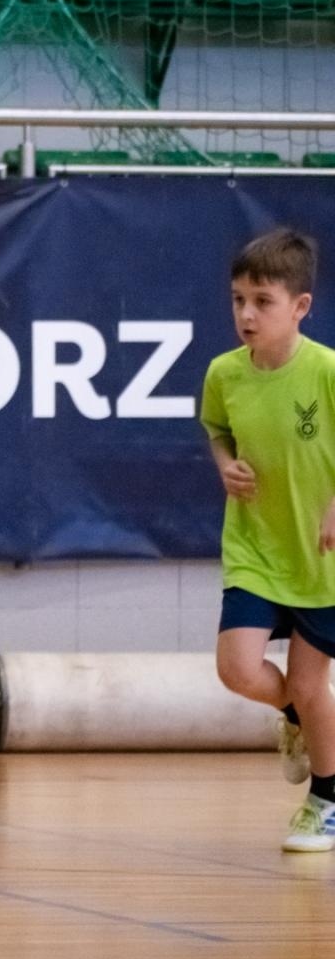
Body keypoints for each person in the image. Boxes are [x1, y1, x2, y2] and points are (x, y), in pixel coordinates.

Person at [202, 227, 335, 852]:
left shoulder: (327, 370)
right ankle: (296, 718)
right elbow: (218, 430)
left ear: (300, 306)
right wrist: (225, 464)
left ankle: (326, 800)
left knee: (310, 685)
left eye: (262, 301)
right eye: (238, 300)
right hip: (254, 546)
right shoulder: (224, 373)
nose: (247, 315)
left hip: (320, 559)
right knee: (236, 669)